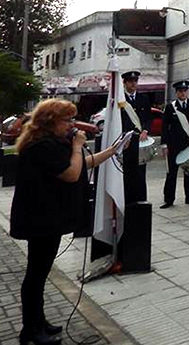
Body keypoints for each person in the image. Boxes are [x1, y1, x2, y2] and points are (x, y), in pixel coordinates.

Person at [11, 99, 118, 345]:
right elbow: (71, 173)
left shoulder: (55, 143)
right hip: (39, 219)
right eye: (67, 120)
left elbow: (81, 165)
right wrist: (78, 146)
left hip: (49, 218)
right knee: (36, 275)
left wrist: (110, 151)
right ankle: (30, 329)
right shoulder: (41, 146)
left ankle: (39, 321)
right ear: (51, 122)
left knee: (40, 273)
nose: (71, 125)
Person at [161, 80, 189, 209]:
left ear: (187, 91)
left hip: (188, 144)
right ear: (176, 93)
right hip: (174, 145)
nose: (183, 93)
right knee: (171, 173)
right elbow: (164, 127)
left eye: (185, 91)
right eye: (180, 91)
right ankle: (169, 199)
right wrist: (164, 145)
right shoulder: (170, 107)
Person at [119, 71, 151, 204]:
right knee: (127, 172)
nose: (133, 83)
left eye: (135, 81)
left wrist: (145, 130)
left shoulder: (143, 98)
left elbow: (148, 117)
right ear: (124, 83)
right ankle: (128, 200)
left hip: (141, 140)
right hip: (127, 141)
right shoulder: (120, 100)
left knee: (140, 172)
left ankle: (141, 200)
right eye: (130, 81)